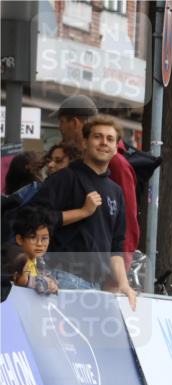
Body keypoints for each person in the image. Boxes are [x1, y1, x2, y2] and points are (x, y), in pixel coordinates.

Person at [32, 114, 137, 309]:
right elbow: (34, 219)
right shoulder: (64, 179)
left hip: (98, 286)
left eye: (110, 139)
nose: (104, 143)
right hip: (63, 278)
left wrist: (123, 284)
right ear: (85, 142)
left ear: (116, 148)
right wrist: (82, 212)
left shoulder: (116, 191)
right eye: (97, 137)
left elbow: (117, 245)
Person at [53, 95, 140, 258]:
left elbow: (125, 222)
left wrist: (119, 272)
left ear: (74, 122)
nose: (59, 128)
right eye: (98, 137)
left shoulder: (116, 163)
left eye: (61, 122)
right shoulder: (75, 168)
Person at [10, 207, 58, 294]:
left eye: (44, 238)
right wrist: (46, 282)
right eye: (33, 237)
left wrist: (52, 283)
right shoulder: (19, 258)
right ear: (20, 239)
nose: (39, 243)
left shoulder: (39, 261)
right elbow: (21, 280)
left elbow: (47, 277)